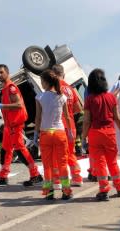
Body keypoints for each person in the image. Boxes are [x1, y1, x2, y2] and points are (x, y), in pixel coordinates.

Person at [0, 64, 43, 187]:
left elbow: (18, 104)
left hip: (15, 125)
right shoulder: (5, 89)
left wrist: (2, 106)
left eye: (1, 72)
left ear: (7, 73)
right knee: (5, 150)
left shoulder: (11, 88)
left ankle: (36, 175)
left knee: (20, 150)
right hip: (9, 126)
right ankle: (3, 176)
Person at [82, 68, 120, 201]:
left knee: (100, 164)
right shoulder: (111, 97)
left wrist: (83, 138)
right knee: (113, 162)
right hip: (110, 133)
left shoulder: (89, 99)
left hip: (95, 133)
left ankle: (104, 190)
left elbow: (87, 121)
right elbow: (117, 117)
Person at [34, 70, 74, 200]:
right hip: (59, 133)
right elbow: (67, 117)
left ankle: (49, 192)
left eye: (42, 81)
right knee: (62, 164)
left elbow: (38, 118)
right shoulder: (62, 97)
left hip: (46, 134)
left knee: (47, 165)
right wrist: (70, 133)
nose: (41, 84)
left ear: (45, 82)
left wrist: (35, 134)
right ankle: (66, 191)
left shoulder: (39, 97)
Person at [51, 64, 83, 187]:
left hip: (59, 126)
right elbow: (78, 108)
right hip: (71, 127)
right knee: (70, 153)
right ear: (63, 74)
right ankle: (77, 178)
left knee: (56, 155)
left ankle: (58, 181)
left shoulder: (53, 88)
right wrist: (68, 112)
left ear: (53, 75)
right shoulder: (70, 89)